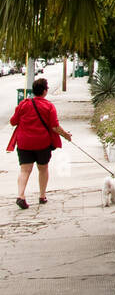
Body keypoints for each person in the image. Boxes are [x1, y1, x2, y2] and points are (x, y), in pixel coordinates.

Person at [7, 77, 72, 209]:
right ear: (44, 91)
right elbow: (54, 127)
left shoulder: (24, 104)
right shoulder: (49, 106)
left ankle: (21, 195)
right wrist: (66, 135)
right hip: (42, 143)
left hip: (24, 143)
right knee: (43, 168)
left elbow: (13, 121)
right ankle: (42, 196)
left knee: (25, 170)